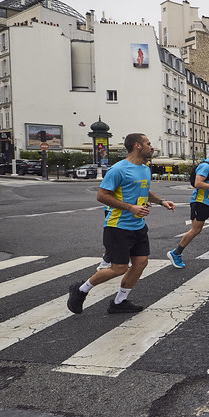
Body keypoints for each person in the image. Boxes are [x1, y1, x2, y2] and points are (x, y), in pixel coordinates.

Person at [67, 133, 176, 315]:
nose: (152, 147)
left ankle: (119, 302)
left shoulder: (145, 168)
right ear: (137, 146)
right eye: (148, 144)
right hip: (118, 226)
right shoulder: (118, 169)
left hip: (138, 226)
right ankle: (80, 289)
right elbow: (102, 195)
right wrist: (130, 207)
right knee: (119, 268)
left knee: (141, 263)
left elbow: (144, 190)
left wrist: (161, 201)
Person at [167, 143, 209, 268]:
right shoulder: (205, 166)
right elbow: (197, 183)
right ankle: (176, 253)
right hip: (200, 202)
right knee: (195, 230)